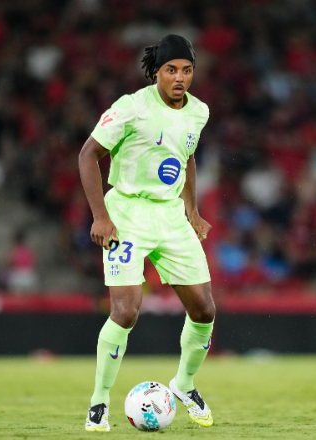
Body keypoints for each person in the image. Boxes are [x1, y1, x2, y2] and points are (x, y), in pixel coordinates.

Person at [78, 35, 215, 432]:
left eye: (187, 70)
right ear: (157, 72)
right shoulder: (131, 107)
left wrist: (192, 210)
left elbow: (186, 156)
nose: (180, 78)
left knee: (205, 311)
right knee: (125, 312)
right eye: (171, 70)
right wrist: (100, 216)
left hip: (171, 216)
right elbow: (88, 155)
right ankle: (99, 402)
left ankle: (184, 385)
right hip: (128, 213)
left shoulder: (199, 112)